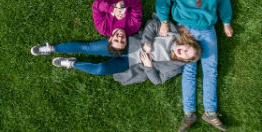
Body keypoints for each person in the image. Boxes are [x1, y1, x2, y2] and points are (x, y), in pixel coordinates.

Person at [155, 0, 232, 132]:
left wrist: (226, 22)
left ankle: (210, 112)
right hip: (186, 29)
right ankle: (189, 113)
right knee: (188, 70)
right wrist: (164, 21)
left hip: (207, 29)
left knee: (210, 70)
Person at [30, 15, 200, 85]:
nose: (183, 52)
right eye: (186, 49)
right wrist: (147, 42)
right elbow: (153, 24)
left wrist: (148, 66)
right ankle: (51, 48)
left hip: (130, 63)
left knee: (101, 69)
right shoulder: (172, 33)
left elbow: (158, 81)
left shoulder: (174, 67)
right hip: (127, 44)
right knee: (88, 48)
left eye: (186, 55)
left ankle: (73, 64)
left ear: (185, 61)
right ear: (185, 43)